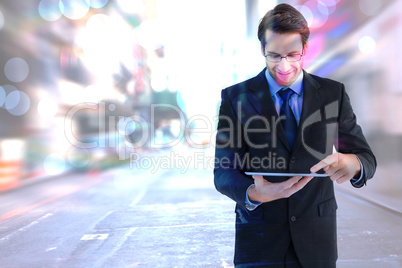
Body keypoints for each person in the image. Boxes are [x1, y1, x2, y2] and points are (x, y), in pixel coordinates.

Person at [213, 3, 376, 268]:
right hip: (258, 242)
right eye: (274, 55)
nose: (284, 66)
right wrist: (254, 193)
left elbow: (366, 158)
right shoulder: (235, 98)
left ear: (305, 50)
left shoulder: (332, 93)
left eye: (292, 54)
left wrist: (352, 164)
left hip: (316, 243)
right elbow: (222, 172)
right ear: (262, 50)